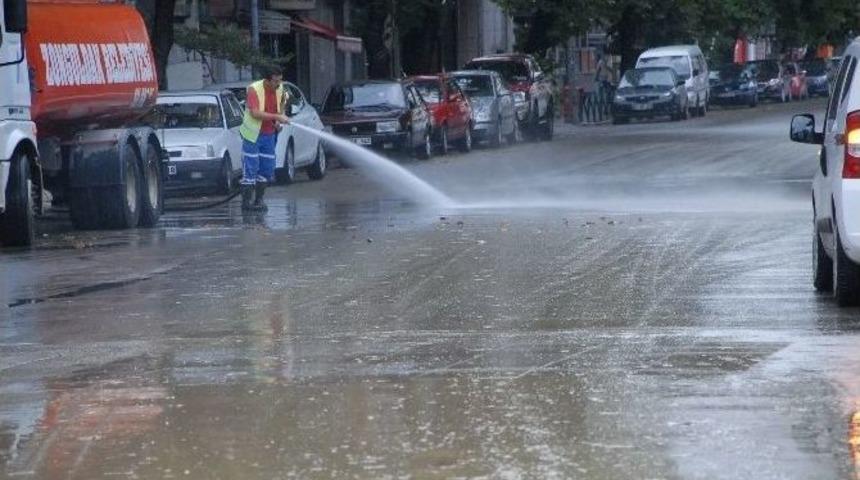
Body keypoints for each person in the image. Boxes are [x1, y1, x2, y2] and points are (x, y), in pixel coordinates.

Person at [239, 66, 290, 211]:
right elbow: (255, 113)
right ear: (267, 80)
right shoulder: (254, 90)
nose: (278, 84)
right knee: (251, 168)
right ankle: (246, 202)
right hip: (252, 135)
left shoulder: (281, 90)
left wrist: (278, 122)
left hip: (269, 135)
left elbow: (280, 108)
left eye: (280, 80)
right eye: (275, 81)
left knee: (267, 168)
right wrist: (276, 117)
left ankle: (259, 200)